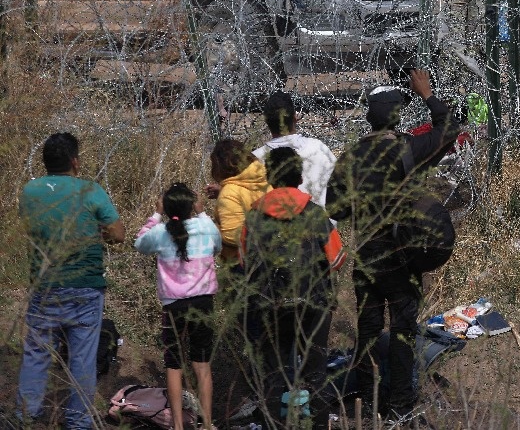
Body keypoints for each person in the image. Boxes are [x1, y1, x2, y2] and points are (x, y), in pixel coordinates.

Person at [326, 68, 459, 424]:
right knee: (402, 331)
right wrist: (427, 93)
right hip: (402, 260)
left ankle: (369, 404)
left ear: (369, 118)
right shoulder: (408, 149)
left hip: (368, 259)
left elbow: (335, 209)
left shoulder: (351, 157)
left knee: (368, 330)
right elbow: (449, 128)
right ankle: (400, 406)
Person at [17, 132, 126, 429]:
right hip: (85, 289)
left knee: (37, 354)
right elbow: (118, 233)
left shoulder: (30, 191)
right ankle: (77, 422)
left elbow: (31, 228)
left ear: (45, 162)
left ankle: (26, 415)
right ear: (75, 162)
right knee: (82, 359)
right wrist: (96, 232)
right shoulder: (90, 190)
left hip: (45, 287)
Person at [240, 146, 346, 428]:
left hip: (270, 305)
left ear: (270, 178)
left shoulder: (253, 216)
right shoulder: (314, 213)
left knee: (273, 374)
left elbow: (243, 262)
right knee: (316, 374)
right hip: (314, 304)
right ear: (299, 176)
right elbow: (337, 259)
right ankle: (320, 425)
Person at [135, 183, 221, 430]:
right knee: (202, 364)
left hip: (173, 306)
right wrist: (203, 213)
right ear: (192, 205)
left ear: (167, 206)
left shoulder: (161, 232)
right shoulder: (205, 226)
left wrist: (155, 215)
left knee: (174, 365)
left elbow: (139, 243)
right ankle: (206, 424)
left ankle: (178, 426)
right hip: (203, 302)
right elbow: (217, 246)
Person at [251, 91, 336, 209]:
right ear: (295, 118)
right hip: (322, 224)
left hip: (273, 225)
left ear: (266, 122)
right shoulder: (318, 148)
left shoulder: (255, 160)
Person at [206, 139, 270, 264]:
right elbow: (248, 196)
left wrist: (211, 229)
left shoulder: (229, 193)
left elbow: (234, 236)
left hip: (243, 265)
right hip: (269, 254)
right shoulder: (263, 178)